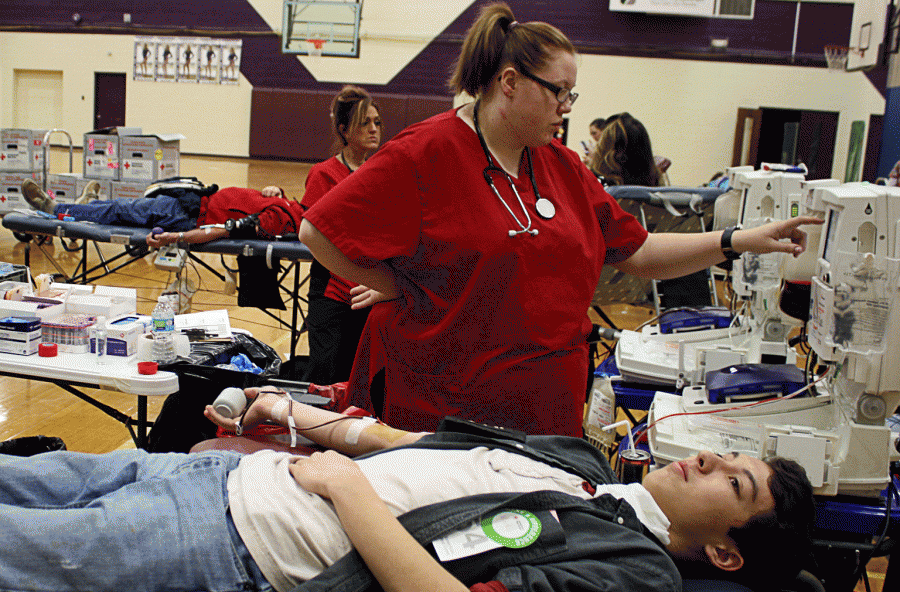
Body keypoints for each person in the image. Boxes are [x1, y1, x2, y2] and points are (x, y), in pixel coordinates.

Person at [0, 387, 815, 592]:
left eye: (731, 481)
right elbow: (408, 446)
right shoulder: (584, 464)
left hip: (235, 547)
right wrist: (298, 416)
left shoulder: (638, 572)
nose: (704, 459)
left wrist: (346, 491)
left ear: (725, 551)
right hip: (208, 474)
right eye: (723, 454)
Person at [298, 2, 822, 437]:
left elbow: (636, 252)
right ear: (509, 82)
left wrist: (739, 240)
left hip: (546, 412)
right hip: (446, 411)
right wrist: (397, 284)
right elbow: (317, 231)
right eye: (559, 91)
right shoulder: (425, 152)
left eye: (571, 94)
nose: (567, 107)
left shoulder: (560, 164)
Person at [299, 85, 383, 385]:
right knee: (326, 376)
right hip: (333, 290)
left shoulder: (385, 172)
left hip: (373, 288)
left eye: (377, 122)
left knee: (365, 378)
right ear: (343, 129)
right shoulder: (323, 174)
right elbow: (314, 236)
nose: (374, 129)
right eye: (365, 123)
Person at [20, 178, 303, 244]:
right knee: (125, 207)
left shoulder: (284, 218)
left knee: (121, 209)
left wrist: (179, 238)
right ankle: (84, 206)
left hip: (188, 217)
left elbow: (225, 230)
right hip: (196, 200)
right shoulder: (291, 205)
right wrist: (273, 190)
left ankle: (55, 208)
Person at [587, 112, 663, 186]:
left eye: (594, 133)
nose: (593, 137)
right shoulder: (656, 185)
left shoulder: (602, 183)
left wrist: (594, 163)